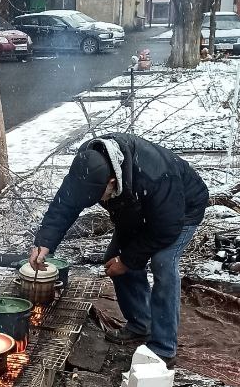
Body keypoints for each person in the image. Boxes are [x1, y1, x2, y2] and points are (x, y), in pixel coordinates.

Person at [30, 132, 209, 364]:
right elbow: (65, 204)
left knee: (162, 263)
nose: (98, 202)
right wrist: (45, 242)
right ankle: (139, 324)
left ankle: (164, 347)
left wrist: (127, 261)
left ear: (112, 182)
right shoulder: (87, 165)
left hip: (181, 212)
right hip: (134, 210)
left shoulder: (154, 176)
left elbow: (166, 229)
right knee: (113, 258)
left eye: (99, 197)